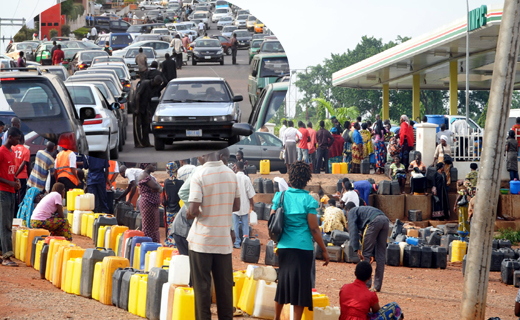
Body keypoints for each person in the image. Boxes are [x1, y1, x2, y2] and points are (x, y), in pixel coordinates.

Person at [186, 148, 240, 320]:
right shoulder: (231, 174)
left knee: (202, 291)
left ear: (205, 154)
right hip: (223, 243)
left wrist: (188, 213)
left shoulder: (199, 174)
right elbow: (237, 206)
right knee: (225, 292)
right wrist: (220, 207)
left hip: (201, 241)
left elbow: (194, 209)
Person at [271, 161, 329, 320]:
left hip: (284, 247)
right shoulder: (309, 200)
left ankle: (277, 317)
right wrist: (324, 249)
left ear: (291, 178)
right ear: (306, 180)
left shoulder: (280, 196)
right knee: (301, 286)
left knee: (282, 282)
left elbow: (272, 221)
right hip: (303, 249)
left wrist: (277, 243)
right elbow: (314, 229)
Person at [345, 203, 389, 292]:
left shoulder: (351, 212)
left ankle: (366, 284)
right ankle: (377, 286)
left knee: (365, 255)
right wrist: (373, 253)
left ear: (347, 210)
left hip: (374, 221)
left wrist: (356, 248)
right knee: (381, 255)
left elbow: (353, 230)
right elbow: (368, 237)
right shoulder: (363, 212)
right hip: (385, 220)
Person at [174, 155, 205, 254]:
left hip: (182, 231)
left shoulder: (196, 200)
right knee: (187, 261)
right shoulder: (195, 205)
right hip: (181, 232)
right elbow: (182, 192)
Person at [0, 127, 22, 267]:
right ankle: (7, 256)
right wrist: (10, 183)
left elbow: (9, 171)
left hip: (11, 191)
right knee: (5, 224)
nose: (18, 141)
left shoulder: (11, 152)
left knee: (5, 223)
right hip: (3, 191)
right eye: (16, 139)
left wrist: (15, 180)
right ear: (10, 137)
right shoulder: (1, 151)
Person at [134, 76, 163, 148]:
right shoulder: (145, 83)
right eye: (159, 83)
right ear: (155, 81)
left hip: (145, 106)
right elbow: (138, 95)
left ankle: (146, 142)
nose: (159, 85)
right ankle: (138, 143)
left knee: (146, 124)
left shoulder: (154, 87)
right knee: (137, 125)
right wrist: (137, 109)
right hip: (137, 105)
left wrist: (149, 110)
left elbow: (150, 99)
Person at [232, 161, 255, 248]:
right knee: (245, 225)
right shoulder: (246, 178)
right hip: (245, 205)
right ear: (243, 168)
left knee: (235, 225)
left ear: (236, 167)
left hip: (234, 206)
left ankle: (237, 243)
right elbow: (250, 193)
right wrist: (252, 205)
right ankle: (246, 242)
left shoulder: (233, 177)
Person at [138, 164, 162, 243]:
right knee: (148, 227)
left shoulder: (149, 176)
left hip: (152, 204)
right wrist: (156, 188)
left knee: (154, 227)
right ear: (147, 165)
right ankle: (148, 245)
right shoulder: (144, 175)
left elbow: (159, 189)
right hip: (147, 204)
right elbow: (156, 187)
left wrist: (157, 188)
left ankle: (154, 244)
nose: (155, 166)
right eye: (152, 164)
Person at [163, 162, 184, 246]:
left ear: (168, 171)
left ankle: (169, 245)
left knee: (169, 229)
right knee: (178, 229)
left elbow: (165, 198)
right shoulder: (181, 183)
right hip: (178, 210)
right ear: (176, 170)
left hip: (169, 210)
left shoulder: (166, 182)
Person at [13, 135, 30, 212]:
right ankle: (19, 213)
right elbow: (24, 164)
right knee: (21, 196)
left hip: (12, 176)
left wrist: (14, 175)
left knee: (13, 194)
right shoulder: (26, 150)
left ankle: (13, 212)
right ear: (23, 139)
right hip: (21, 176)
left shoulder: (12, 148)